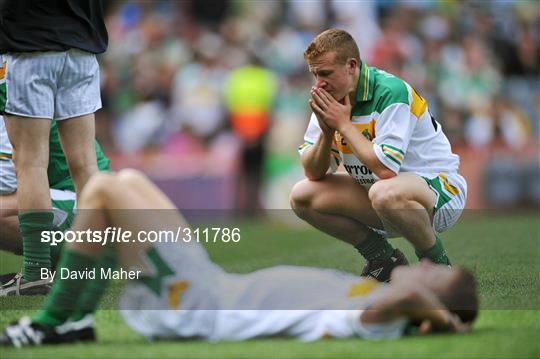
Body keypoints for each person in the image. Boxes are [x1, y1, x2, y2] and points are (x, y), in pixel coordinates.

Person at [0, 169, 477, 346]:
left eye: (438, 276)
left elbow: (407, 303)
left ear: (426, 306)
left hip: (196, 304)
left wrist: (446, 322)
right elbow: (412, 297)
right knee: (126, 181)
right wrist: (439, 310)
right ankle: (73, 322)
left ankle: (57, 321)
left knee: (104, 190)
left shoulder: (378, 320)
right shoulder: (378, 300)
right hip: (211, 284)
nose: (429, 266)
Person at [290, 29, 467, 282]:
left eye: (326, 73)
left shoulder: (390, 91)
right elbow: (313, 171)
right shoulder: (330, 98)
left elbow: (385, 169)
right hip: (382, 197)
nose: (319, 83)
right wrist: (327, 133)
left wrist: (343, 125)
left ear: (352, 66)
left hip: (441, 193)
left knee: (383, 192)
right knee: (301, 196)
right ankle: (384, 259)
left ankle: (438, 267)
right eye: (315, 74)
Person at [0, 1, 108, 289]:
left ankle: (36, 272)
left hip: (29, 45)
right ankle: (89, 263)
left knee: (30, 163)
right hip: (82, 47)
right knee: (86, 165)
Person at [0, 116, 111, 295]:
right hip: (89, 197)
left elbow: (5, 182)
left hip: (80, 199)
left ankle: (70, 262)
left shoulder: (11, 97)